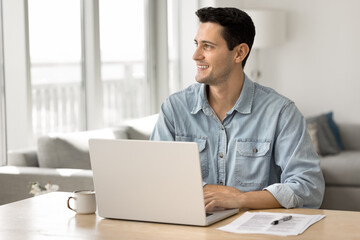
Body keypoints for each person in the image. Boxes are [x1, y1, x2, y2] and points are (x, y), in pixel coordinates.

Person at [150, 7, 325, 211]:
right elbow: (156, 179)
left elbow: (309, 187)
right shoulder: (174, 109)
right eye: (197, 44)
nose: (195, 55)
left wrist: (240, 199)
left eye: (207, 46)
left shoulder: (281, 112)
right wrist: (213, 192)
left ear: (239, 53)